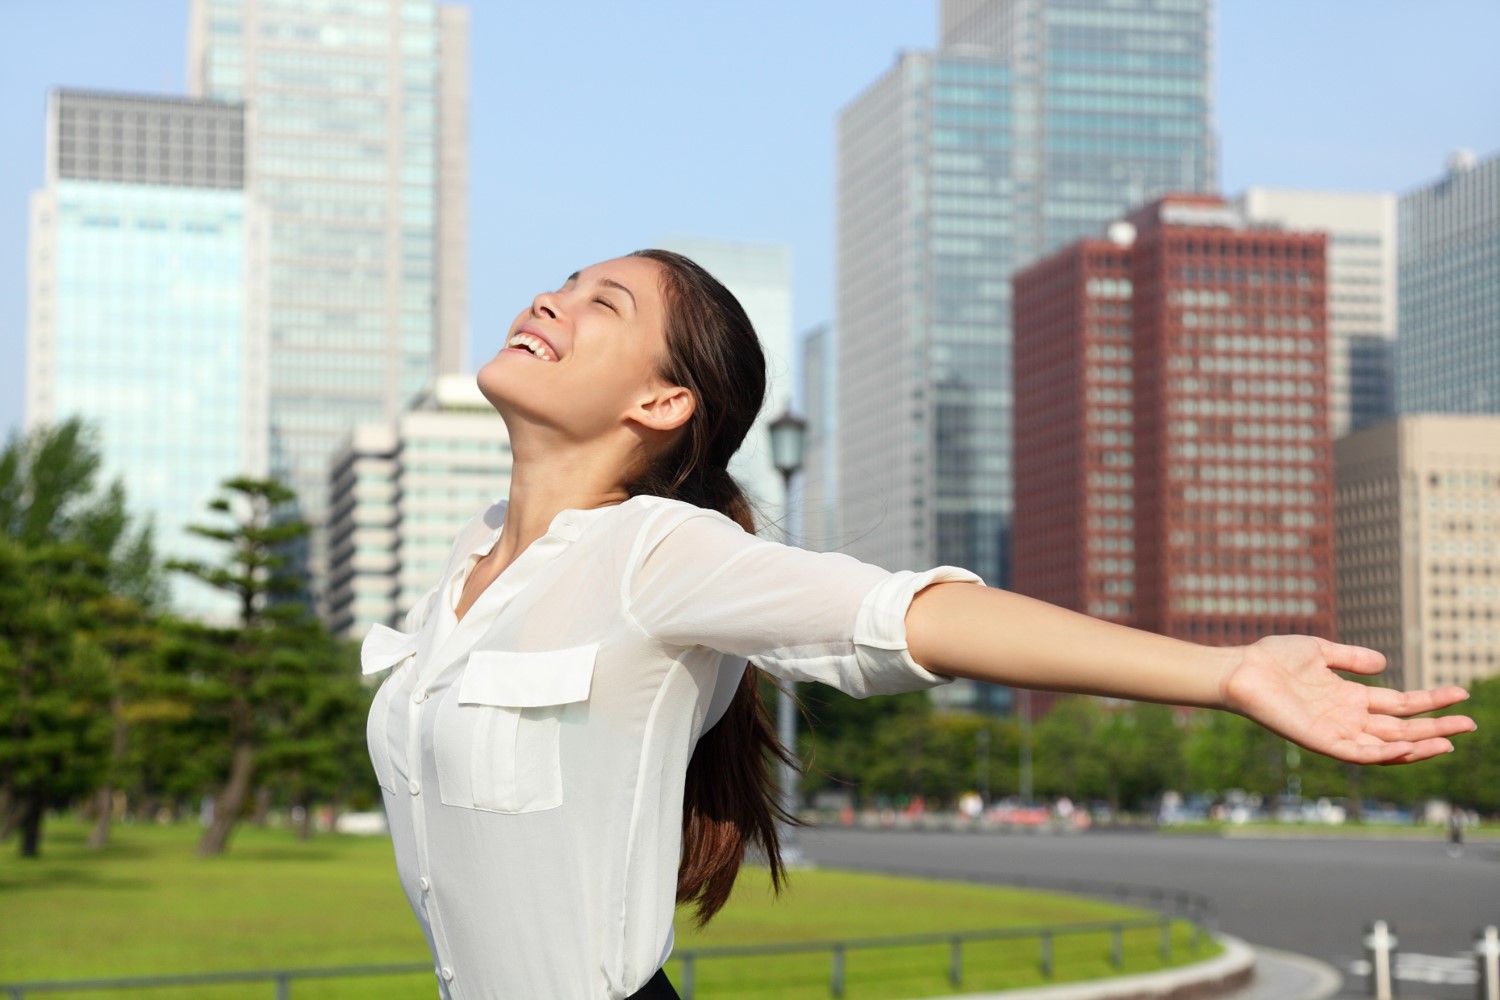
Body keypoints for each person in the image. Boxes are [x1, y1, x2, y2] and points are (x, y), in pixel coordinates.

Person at [361, 249, 1475, 1000]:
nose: (551, 300)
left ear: (662, 404)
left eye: (602, 303)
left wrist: (1225, 672)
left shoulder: (658, 553)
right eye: (561, 283)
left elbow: (911, 618)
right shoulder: (463, 562)